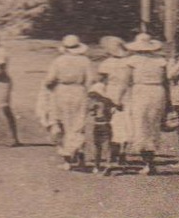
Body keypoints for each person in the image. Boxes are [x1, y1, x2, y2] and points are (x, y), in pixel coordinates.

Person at [42, 35, 92, 172]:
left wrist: (49, 88)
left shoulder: (58, 61)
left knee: (62, 124)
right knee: (78, 125)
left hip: (62, 92)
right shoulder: (85, 61)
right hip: (79, 92)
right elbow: (89, 81)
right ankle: (80, 157)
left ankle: (67, 160)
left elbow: (50, 80)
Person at [125, 34, 170, 175]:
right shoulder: (160, 60)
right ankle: (150, 162)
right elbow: (166, 82)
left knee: (141, 125)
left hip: (141, 91)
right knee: (153, 126)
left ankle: (148, 163)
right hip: (157, 91)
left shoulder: (132, 60)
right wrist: (169, 102)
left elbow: (127, 80)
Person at [94, 36, 132, 171]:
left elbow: (99, 80)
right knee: (125, 123)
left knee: (111, 124)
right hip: (128, 93)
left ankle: (114, 153)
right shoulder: (130, 62)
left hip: (111, 93)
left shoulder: (107, 63)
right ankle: (123, 152)